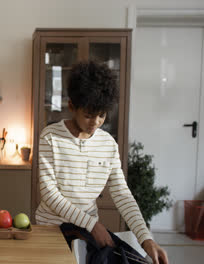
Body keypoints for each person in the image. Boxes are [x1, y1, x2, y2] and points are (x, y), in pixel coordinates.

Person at [36, 61, 168, 264]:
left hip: (87, 232)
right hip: (51, 229)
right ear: (72, 106)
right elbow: (50, 195)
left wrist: (146, 238)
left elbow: (122, 194)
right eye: (89, 115)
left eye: (102, 115)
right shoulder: (50, 137)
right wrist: (92, 224)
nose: (96, 122)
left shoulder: (108, 144)